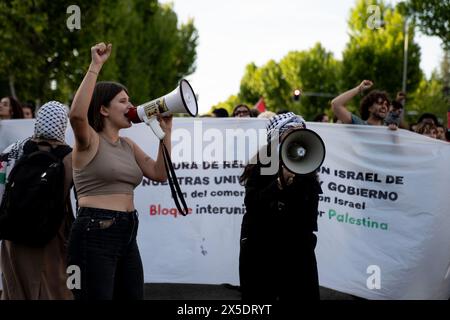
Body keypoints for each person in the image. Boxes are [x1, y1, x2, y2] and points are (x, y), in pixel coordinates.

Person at [67, 42, 172, 300]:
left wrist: (166, 133)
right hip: (95, 231)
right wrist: (95, 66)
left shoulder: (128, 145)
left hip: (127, 232)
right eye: (122, 101)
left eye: (130, 100)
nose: (130, 106)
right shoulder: (89, 140)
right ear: (103, 109)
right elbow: (77, 116)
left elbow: (160, 173)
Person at [238, 112, 322, 300]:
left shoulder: (307, 166)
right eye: (292, 130)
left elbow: (309, 216)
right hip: (261, 251)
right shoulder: (260, 164)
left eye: (302, 130)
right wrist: (279, 183)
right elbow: (252, 205)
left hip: (297, 253)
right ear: (278, 137)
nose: (299, 135)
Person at [0, 101, 74, 300]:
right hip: (50, 233)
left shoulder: (12, 150)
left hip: (13, 232)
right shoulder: (71, 158)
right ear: (63, 124)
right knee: (54, 286)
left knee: (15, 286)